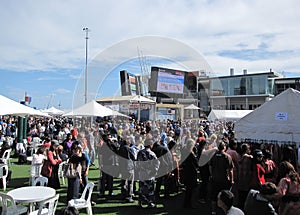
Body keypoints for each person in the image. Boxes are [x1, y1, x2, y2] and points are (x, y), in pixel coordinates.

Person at [209, 140, 234, 215]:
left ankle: (213, 211)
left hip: (215, 179)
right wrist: (231, 179)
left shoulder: (213, 155)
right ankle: (224, 211)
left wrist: (211, 174)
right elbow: (230, 170)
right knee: (225, 196)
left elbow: (210, 166)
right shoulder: (227, 157)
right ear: (224, 147)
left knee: (214, 195)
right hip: (224, 180)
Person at [136, 138, 160, 208]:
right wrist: (155, 171)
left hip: (141, 173)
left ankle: (140, 203)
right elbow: (157, 164)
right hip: (149, 174)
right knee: (150, 189)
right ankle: (150, 203)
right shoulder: (152, 153)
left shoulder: (140, 152)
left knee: (141, 188)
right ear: (150, 145)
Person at [181, 138, 199, 208]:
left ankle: (186, 203)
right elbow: (196, 163)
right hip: (191, 172)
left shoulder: (184, 151)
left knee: (188, 190)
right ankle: (188, 204)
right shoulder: (191, 153)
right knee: (190, 190)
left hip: (186, 171)